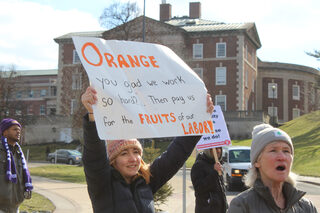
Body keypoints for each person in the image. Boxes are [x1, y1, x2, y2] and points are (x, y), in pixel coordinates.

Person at [81, 86, 214, 213]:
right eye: (124, 153)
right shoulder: (102, 183)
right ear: (113, 160)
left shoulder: (146, 180)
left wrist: (200, 117)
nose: (133, 159)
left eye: (136, 152)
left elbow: (176, 154)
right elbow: (94, 156)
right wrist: (92, 114)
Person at [228, 123, 318, 213]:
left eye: (286, 151)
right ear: (257, 162)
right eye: (273, 150)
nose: (282, 157)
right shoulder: (242, 205)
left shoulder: (306, 207)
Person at [0, 118, 33, 213]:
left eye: (19, 130)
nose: (18, 132)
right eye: (14, 129)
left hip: (15, 207)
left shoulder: (19, 153)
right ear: (5, 132)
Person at [191, 147, 228, 213]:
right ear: (208, 150)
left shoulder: (218, 164)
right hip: (206, 209)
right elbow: (199, 188)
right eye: (214, 149)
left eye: (219, 148)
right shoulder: (199, 165)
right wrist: (214, 172)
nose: (218, 151)